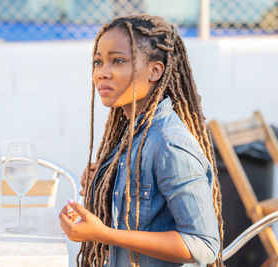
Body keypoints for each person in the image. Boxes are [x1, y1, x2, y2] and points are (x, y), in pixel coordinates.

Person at [59, 14, 223, 267]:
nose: (102, 73)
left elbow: (203, 244)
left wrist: (103, 234)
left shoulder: (170, 143)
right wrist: (107, 182)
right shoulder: (134, 131)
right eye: (98, 62)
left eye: (118, 61)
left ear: (155, 70)